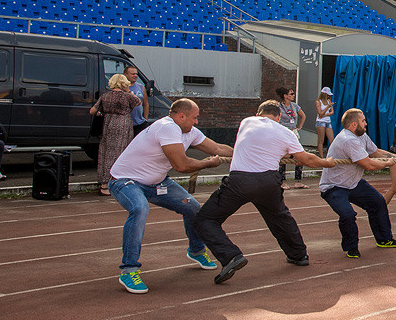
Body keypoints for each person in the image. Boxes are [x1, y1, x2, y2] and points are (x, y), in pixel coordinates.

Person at [194, 101, 336, 285]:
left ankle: (230, 255)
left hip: (240, 181)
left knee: (205, 219)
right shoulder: (286, 132)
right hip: (268, 182)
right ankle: (299, 254)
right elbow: (307, 159)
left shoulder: (247, 122)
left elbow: (253, 144)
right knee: (279, 217)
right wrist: (328, 163)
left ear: (258, 113)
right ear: (279, 117)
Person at [108, 98, 233, 293]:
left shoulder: (188, 131)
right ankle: (128, 270)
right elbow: (181, 165)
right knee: (140, 208)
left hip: (157, 183)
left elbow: (217, 149)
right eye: (194, 118)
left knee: (192, 207)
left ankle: (196, 251)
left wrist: (243, 154)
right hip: (125, 181)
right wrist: (207, 164)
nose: (196, 122)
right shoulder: (167, 128)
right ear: (181, 116)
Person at [319, 108, 396, 257]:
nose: (366, 123)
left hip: (353, 183)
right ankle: (351, 247)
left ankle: (384, 239)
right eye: (363, 121)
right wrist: (389, 163)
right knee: (348, 214)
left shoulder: (361, 136)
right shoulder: (349, 140)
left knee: (378, 202)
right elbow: (369, 164)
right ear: (354, 124)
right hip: (334, 186)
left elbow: (375, 152)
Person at [89, 73, 143, 195]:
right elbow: (138, 102)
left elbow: (92, 111)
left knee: (106, 152)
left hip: (108, 123)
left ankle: (104, 184)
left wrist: (102, 114)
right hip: (123, 124)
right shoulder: (127, 96)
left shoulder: (105, 96)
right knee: (120, 152)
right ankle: (116, 181)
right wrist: (128, 90)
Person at [275, 86, 306, 183]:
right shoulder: (278, 107)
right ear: (285, 96)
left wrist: (299, 127)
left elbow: (303, 115)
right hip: (283, 132)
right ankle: (282, 181)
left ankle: (298, 181)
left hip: (293, 132)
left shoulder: (294, 106)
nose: (293, 95)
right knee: (283, 155)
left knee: (299, 154)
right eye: (291, 94)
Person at [124, 64, 150, 133]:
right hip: (126, 123)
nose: (135, 76)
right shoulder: (122, 88)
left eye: (136, 74)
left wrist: (145, 119)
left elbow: (145, 104)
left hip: (139, 123)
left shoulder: (141, 87)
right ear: (125, 75)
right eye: (133, 74)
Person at [315, 87, 335, 156]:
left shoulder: (328, 101)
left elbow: (332, 112)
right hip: (320, 122)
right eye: (327, 95)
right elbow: (320, 114)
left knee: (332, 140)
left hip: (327, 121)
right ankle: (321, 157)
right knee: (321, 140)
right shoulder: (318, 102)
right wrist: (328, 107)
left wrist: (325, 114)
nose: (329, 96)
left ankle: (331, 155)